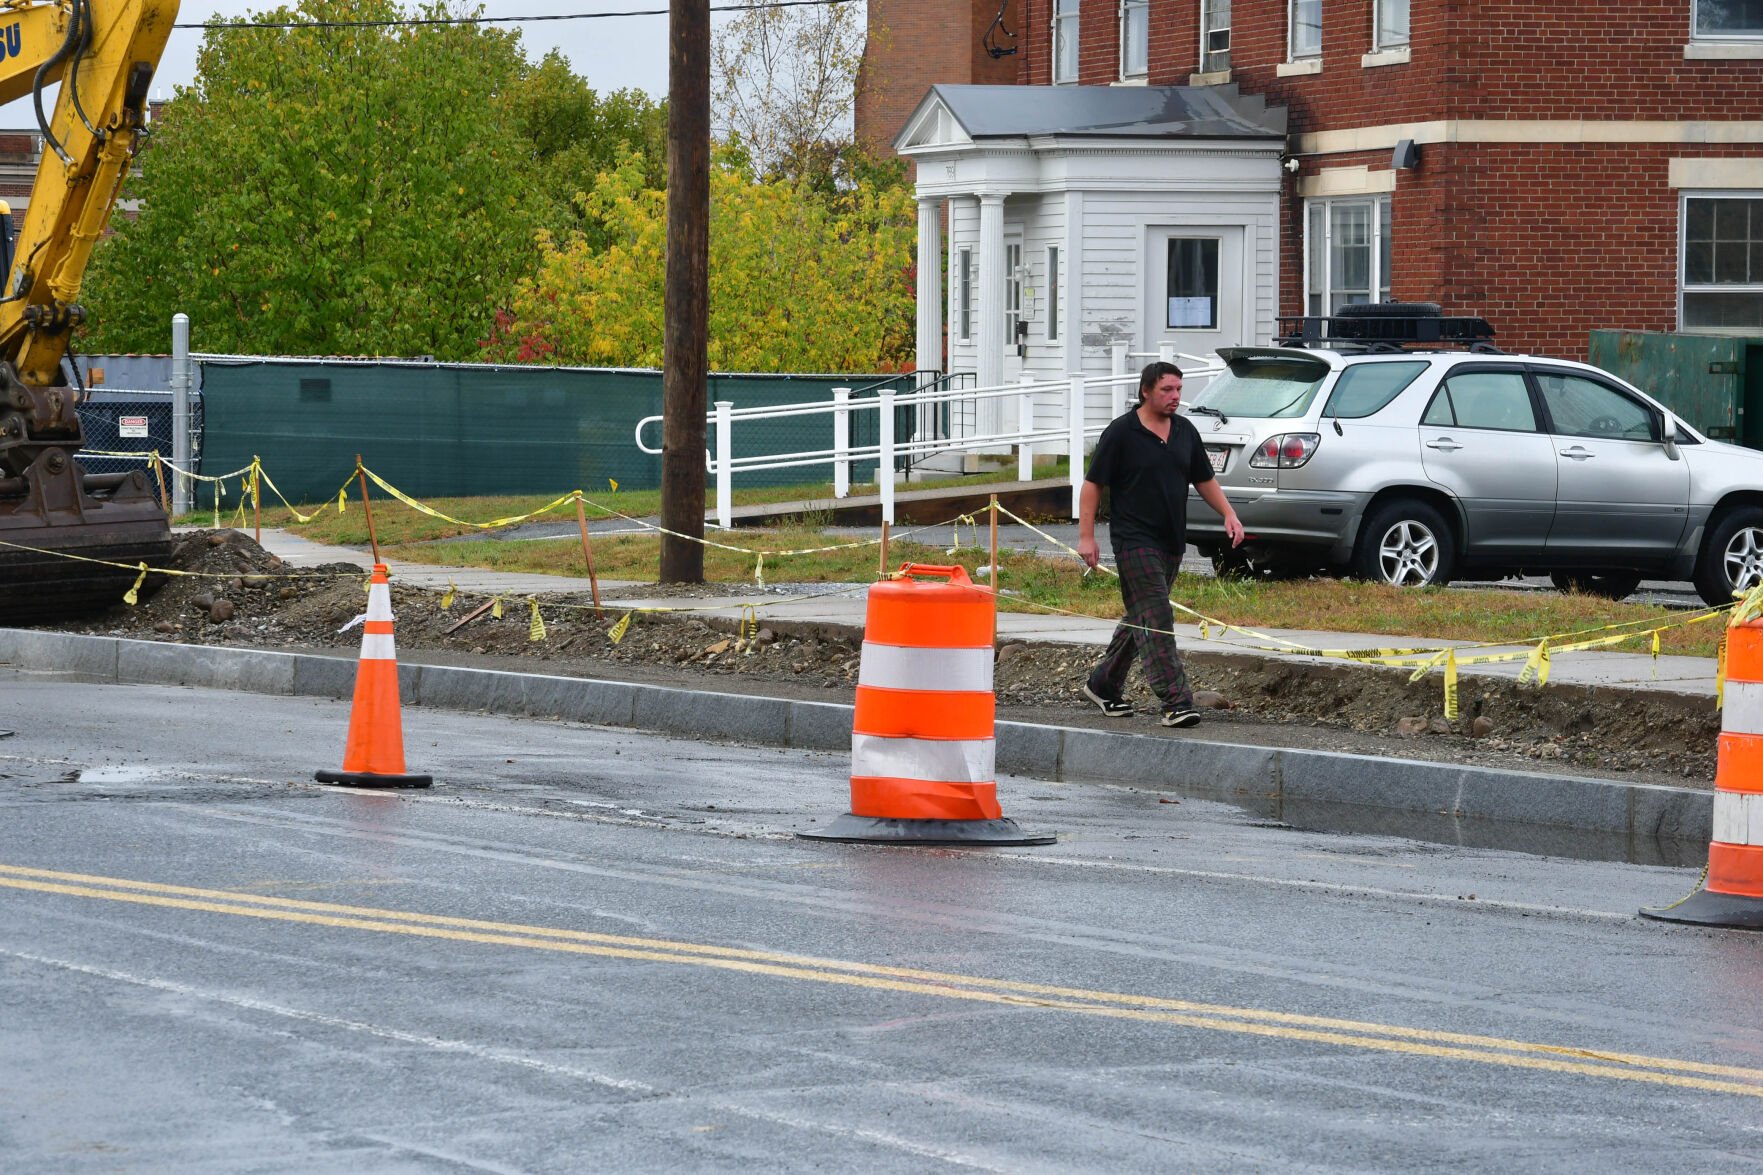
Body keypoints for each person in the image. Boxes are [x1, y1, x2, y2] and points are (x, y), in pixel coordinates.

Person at [1077, 361, 1244, 727]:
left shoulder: (1184, 431)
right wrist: (1086, 537)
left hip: (1171, 541)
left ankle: (1103, 685)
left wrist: (1229, 514)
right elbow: (1092, 486)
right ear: (1146, 391)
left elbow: (1204, 479)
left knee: (1143, 617)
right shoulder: (1121, 433)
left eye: (1179, 390)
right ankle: (1176, 701)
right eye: (1167, 390)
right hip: (1133, 540)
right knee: (1157, 616)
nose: (1175, 397)